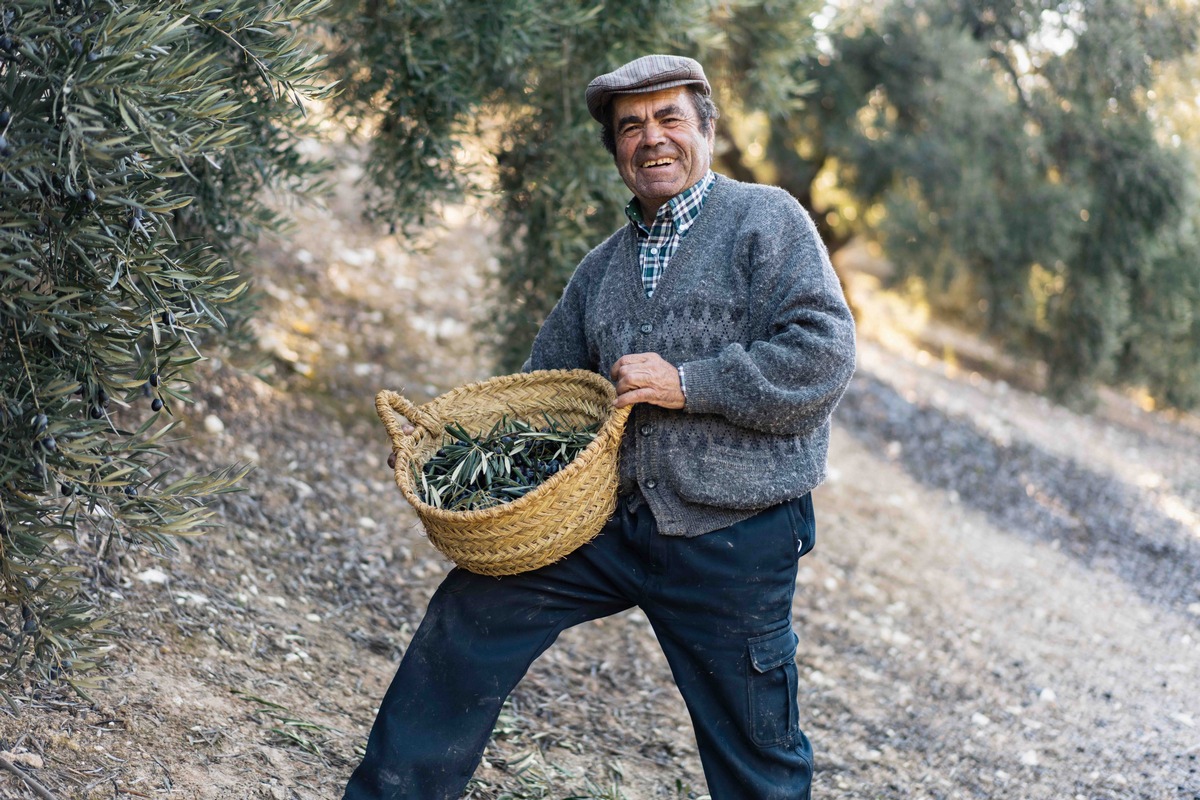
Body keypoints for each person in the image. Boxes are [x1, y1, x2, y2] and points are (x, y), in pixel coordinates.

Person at [343, 54, 856, 800]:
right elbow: (542, 393)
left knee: (756, 752)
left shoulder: (765, 221)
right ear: (616, 149)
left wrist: (688, 384)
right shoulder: (602, 270)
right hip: (606, 526)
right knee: (469, 613)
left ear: (706, 129)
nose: (652, 139)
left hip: (735, 536)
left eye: (669, 118)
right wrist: (458, 450)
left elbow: (824, 354)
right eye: (631, 127)